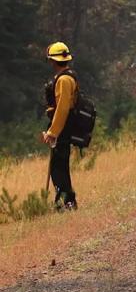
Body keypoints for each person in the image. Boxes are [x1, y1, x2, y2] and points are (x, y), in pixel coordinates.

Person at [42, 41, 79, 211]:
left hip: (62, 128)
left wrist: (52, 132)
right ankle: (65, 201)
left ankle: (67, 202)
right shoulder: (68, 76)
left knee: (58, 167)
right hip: (66, 126)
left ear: (53, 61)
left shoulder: (63, 80)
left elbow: (63, 108)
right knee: (60, 165)